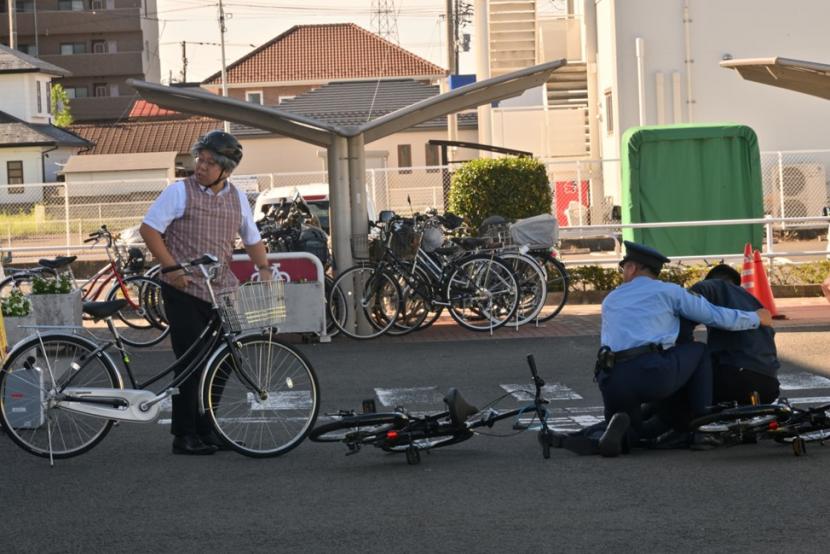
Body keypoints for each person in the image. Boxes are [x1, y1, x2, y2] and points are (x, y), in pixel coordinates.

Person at [139, 130, 272, 455]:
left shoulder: (237, 197)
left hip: (222, 291)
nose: (201, 166)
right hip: (184, 290)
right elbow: (149, 229)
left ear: (226, 169)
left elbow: (251, 237)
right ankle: (184, 435)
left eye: (210, 162)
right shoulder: (179, 192)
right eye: (200, 158)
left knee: (227, 360)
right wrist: (172, 268)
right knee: (191, 363)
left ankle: (207, 427)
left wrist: (264, 268)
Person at [592, 241, 773, 456]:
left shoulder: (610, 299)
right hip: (651, 374)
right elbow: (715, 316)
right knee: (699, 351)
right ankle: (703, 428)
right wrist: (756, 317)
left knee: (632, 435)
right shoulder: (670, 292)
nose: (623, 273)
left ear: (631, 268)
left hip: (612, 380)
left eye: (623, 268)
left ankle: (608, 436)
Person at [677, 264, 780, 405]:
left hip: (733, 376)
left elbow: (684, 315)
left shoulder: (708, 286)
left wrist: (684, 345)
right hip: (768, 384)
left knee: (679, 390)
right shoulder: (753, 302)